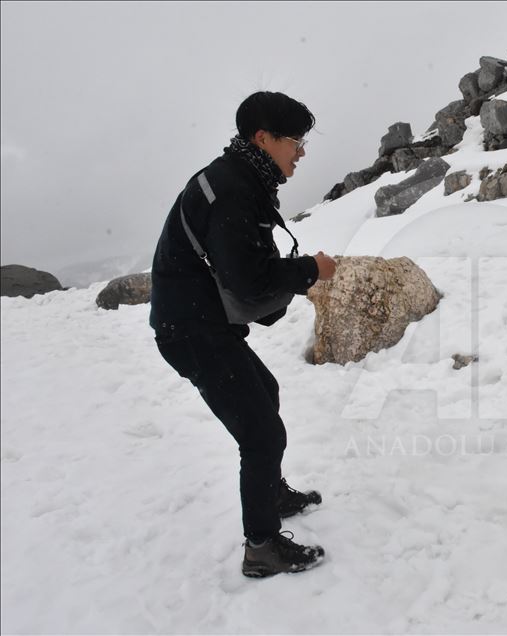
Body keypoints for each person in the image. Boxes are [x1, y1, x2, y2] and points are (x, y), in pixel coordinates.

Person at [149, 91, 337, 578]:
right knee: (260, 433)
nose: (301, 152)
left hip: (203, 320)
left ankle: (269, 492)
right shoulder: (232, 189)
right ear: (263, 138)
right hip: (190, 328)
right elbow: (248, 278)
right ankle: (262, 546)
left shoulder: (237, 177)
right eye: (295, 141)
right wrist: (310, 270)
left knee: (265, 395)